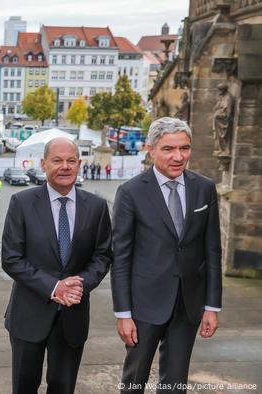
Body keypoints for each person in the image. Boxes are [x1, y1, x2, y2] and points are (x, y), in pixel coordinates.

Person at [111, 117, 222, 394]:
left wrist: (212, 306)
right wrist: (123, 313)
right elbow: (121, 256)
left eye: (184, 149)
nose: (178, 157)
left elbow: (212, 250)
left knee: (175, 384)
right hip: (143, 307)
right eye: (169, 149)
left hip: (188, 305)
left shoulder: (204, 188)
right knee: (134, 381)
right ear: (151, 149)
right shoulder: (131, 192)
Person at [2, 137, 112, 394]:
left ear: (79, 164)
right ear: (43, 164)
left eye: (71, 160)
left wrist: (77, 286)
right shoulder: (22, 203)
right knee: (24, 386)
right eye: (57, 160)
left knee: (63, 387)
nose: (65, 166)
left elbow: (103, 255)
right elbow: (11, 258)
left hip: (72, 317)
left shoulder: (96, 207)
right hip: (28, 315)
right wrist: (54, 287)